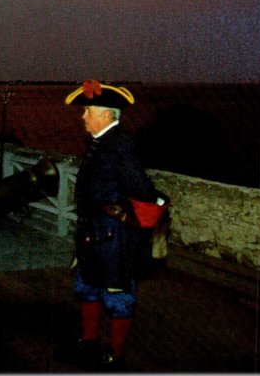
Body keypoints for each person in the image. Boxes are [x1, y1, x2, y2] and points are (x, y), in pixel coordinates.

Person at [64, 80, 158, 370]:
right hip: (94, 233)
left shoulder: (119, 146)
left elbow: (143, 192)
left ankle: (116, 356)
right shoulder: (102, 143)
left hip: (112, 235)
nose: (83, 117)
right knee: (89, 287)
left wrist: (130, 226)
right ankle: (90, 342)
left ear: (106, 115)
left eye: (88, 111)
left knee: (118, 296)